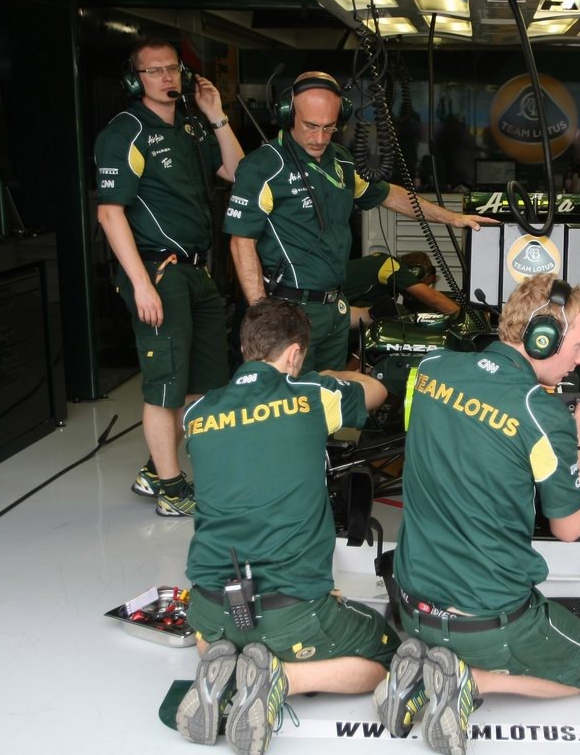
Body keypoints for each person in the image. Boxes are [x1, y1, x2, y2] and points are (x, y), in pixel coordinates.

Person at [374, 274, 580, 755]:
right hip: (482, 622)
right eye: (579, 345)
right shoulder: (542, 414)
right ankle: (466, 677)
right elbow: (570, 527)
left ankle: (416, 667)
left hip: (411, 606)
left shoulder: (433, 367)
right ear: (544, 338)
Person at [175, 298, 398, 755]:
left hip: (212, 606)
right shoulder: (312, 395)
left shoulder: (195, 416)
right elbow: (376, 391)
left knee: (212, 633)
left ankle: (226, 665)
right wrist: (336, 378)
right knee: (386, 655)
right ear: (295, 355)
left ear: (243, 348)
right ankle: (281, 678)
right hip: (290, 607)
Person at [226, 71, 496, 372]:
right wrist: (262, 312)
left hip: (334, 308)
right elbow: (241, 242)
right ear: (289, 115)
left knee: (330, 399)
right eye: (311, 126)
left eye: (329, 128)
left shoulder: (340, 160)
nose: (319, 138)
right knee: (291, 404)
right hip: (285, 309)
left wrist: (453, 217)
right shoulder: (263, 166)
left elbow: (389, 194)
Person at [95, 38, 244, 517]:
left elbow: (238, 171)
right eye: (154, 71)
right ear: (134, 80)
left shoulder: (193, 128)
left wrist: (216, 115)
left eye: (172, 70)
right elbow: (110, 213)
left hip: (199, 270)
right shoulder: (124, 133)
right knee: (165, 385)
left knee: (201, 386)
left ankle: (155, 470)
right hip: (158, 271)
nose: (166, 78)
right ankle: (172, 489)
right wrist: (140, 283)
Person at [345, 251, 459, 330]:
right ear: (416, 272)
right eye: (424, 286)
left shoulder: (386, 288)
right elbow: (434, 299)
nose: (421, 296)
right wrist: (462, 316)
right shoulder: (389, 265)